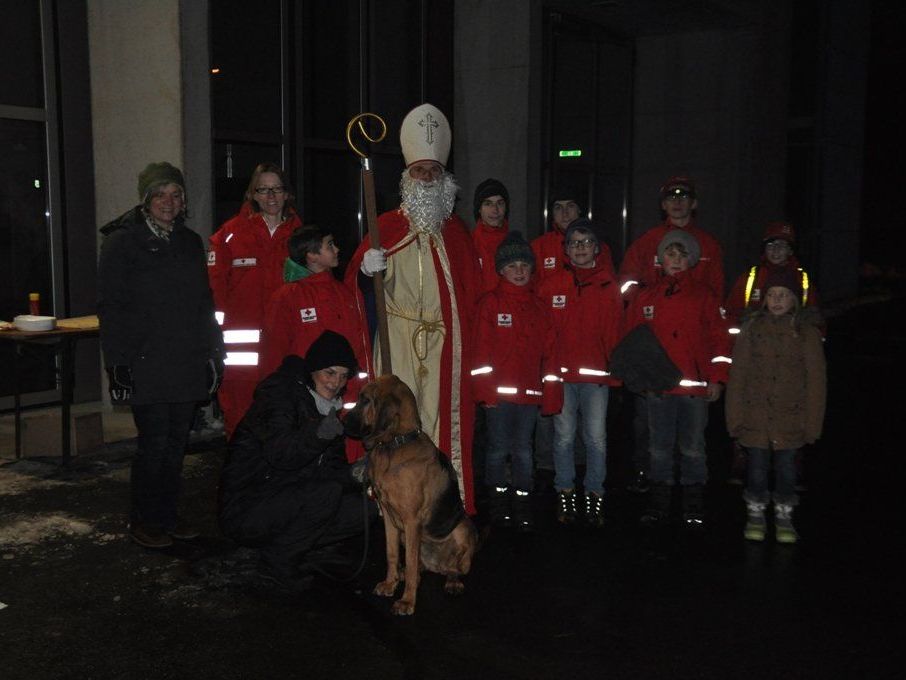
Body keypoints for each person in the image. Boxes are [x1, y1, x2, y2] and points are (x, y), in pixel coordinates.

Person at [345, 103, 482, 515]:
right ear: (407, 178)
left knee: (440, 421)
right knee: (393, 423)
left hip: (442, 343)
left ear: (445, 180)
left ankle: (438, 502)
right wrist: (365, 270)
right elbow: (354, 284)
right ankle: (389, 498)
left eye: (433, 172)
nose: (426, 178)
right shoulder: (385, 226)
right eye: (419, 171)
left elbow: (470, 295)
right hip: (398, 339)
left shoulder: (456, 234)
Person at [98, 162, 224, 549]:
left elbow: (204, 304)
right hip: (146, 364)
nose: (168, 202)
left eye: (175, 195)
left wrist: (213, 355)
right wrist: (119, 371)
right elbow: (112, 309)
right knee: (153, 445)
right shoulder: (122, 243)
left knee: (175, 446)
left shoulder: (189, 241)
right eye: (160, 195)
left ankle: (168, 516)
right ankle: (145, 521)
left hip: (185, 362)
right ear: (146, 200)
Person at [219, 331, 376, 589]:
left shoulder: (328, 409)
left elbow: (331, 470)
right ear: (313, 370)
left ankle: (297, 546)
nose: (336, 382)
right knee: (325, 494)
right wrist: (319, 434)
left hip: (285, 500)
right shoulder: (280, 397)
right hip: (247, 507)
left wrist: (355, 474)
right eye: (329, 372)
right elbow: (282, 456)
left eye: (343, 375)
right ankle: (277, 561)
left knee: (364, 510)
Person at [618, 176, 725, 494]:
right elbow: (625, 283)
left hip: (692, 362)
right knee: (648, 427)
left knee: (691, 438)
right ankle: (647, 475)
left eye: (684, 196)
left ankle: (688, 489)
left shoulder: (708, 245)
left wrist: (714, 371)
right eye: (671, 197)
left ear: (694, 203)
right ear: (663, 205)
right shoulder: (648, 241)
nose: (677, 202)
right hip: (655, 354)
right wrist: (644, 295)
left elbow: (716, 303)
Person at [622, 230, 732, 528]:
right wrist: (639, 378)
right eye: (670, 254)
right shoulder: (647, 296)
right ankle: (659, 503)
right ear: (660, 260)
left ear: (692, 261)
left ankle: (693, 504)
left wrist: (717, 378)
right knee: (659, 447)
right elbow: (633, 341)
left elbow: (720, 340)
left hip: (694, 390)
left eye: (682, 255)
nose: (676, 260)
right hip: (659, 389)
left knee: (693, 447)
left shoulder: (704, 296)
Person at [725, 268, 826, 544]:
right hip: (755, 416)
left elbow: (816, 383)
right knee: (756, 469)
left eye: (783, 295)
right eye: (772, 295)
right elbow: (738, 377)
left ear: (794, 299)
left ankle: (784, 514)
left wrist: (812, 424)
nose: (777, 300)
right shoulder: (752, 330)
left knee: (786, 470)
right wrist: (734, 418)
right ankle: (755, 512)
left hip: (790, 418)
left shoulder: (806, 334)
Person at [471, 232, 561, 532]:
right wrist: (484, 392)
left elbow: (550, 355)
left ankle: (522, 503)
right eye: (513, 266)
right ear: (500, 270)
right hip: (498, 396)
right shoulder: (490, 304)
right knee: (497, 449)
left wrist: (551, 393)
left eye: (524, 264)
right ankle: (497, 503)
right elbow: (481, 351)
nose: (520, 271)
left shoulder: (540, 307)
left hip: (530, 396)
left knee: (523, 450)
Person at [536, 218, 622, 527]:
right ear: (566, 249)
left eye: (586, 243)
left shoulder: (608, 285)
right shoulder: (550, 285)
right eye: (574, 243)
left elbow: (615, 333)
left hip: (597, 378)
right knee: (563, 437)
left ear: (597, 249)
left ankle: (595, 494)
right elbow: (542, 331)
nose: (581, 248)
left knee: (596, 439)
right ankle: (565, 492)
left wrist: (616, 372)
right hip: (562, 376)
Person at [207, 163, 302, 438]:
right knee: (240, 418)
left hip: (286, 344)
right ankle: (241, 476)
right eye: (263, 189)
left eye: (277, 189)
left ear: (287, 195)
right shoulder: (229, 235)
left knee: (285, 415)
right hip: (240, 353)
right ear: (253, 195)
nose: (271, 196)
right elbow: (215, 290)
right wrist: (215, 338)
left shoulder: (301, 237)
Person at [259, 225, 371, 391]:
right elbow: (274, 351)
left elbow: (360, 344)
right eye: (330, 245)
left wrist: (360, 386)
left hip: (346, 393)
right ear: (312, 255)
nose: (337, 249)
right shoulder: (288, 296)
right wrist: (277, 393)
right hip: (302, 393)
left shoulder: (345, 293)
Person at [725, 221, 821, 336]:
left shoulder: (802, 280)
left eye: (782, 245)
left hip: (791, 344)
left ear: (790, 251)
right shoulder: (751, 278)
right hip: (755, 343)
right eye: (770, 245)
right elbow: (731, 312)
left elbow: (815, 319)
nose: (776, 250)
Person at [531, 189, 616, 283]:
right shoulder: (538, 247)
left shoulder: (597, 246)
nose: (565, 213)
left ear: (579, 209)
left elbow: (608, 285)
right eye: (558, 208)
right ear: (552, 213)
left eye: (570, 206)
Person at [472, 178, 511, 295]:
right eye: (488, 203)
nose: (495, 210)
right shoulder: (467, 244)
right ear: (479, 209)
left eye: (500, 203)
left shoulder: (517, 246)